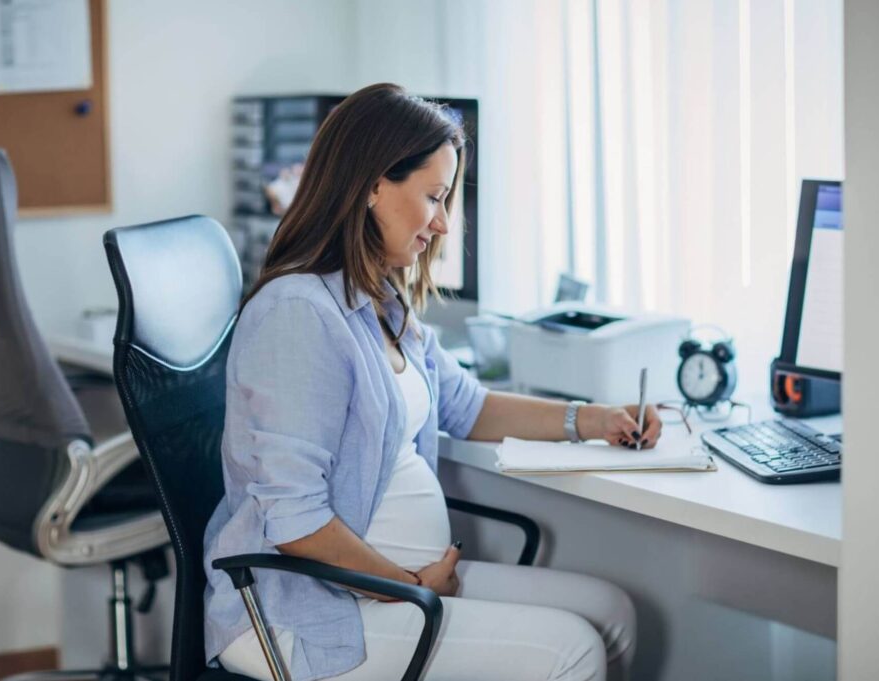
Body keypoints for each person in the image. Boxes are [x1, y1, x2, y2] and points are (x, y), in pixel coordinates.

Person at [203, 83, 662, 681]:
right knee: (574, 647)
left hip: (388, 583)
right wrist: (411, 587)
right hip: (309, 608)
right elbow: (294, 519)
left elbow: (466, 406)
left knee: (612, 612)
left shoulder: (378, 299)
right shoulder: (298, 314)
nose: (443, 223)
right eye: (434, 197)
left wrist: (593, 419)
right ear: (372, 186)